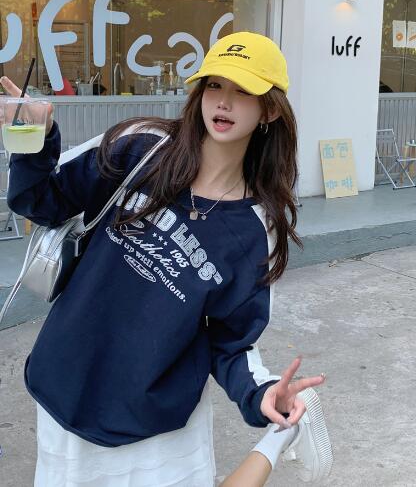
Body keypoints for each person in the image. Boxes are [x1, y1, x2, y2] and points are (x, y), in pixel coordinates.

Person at [2, 31, 328, 486]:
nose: (223, 101)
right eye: (214, 85)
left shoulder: (256, 230)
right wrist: (34, 138)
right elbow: (41, 202)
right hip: (69, 381)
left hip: (156, 431)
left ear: (270, 110)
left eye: (243, 91)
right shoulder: (141, 146)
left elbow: (231, 341)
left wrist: (259, 394)